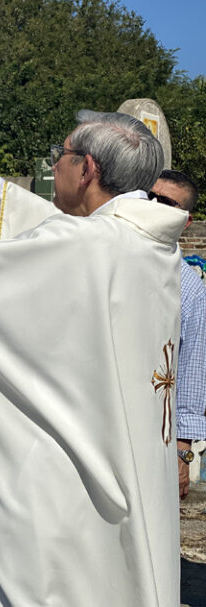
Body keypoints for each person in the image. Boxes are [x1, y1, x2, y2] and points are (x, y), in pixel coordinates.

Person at [0, 110, 188, 606]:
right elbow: (60, 229)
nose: (56, 165)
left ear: (86, 168)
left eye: (59, 156)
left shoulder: (85, 245)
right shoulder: (152, 244)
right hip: (130, 473)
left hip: (71, 489)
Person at [150, 169, 206, 499]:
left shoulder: (189, 288)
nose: (154, 205)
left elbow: (191, 370)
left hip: (155, 428)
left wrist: (183, 453)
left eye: (166, 203)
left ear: (185, 220)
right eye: (150, 197)